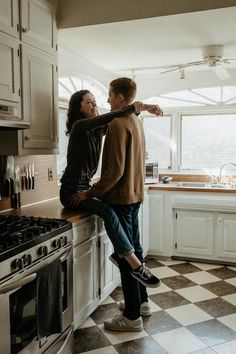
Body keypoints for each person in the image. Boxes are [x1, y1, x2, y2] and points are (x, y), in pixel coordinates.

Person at [76, 78, 163, 332]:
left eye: (110, 95)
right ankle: (143, 303)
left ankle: (132, 317)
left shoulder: (117, 123)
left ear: (121, 98)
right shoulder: (136, 121)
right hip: (136, 196)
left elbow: (113, 172)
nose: (107, 100)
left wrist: (90, 194)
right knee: (135, 250)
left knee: (127, 259)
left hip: (122, 200)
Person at [60, 89, 162, 287]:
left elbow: (120, 122)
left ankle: (119, 255)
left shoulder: (98, 130)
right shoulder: (79, 126)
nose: (94, 105)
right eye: (88, 102)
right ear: (78, 108)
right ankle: (135, 265)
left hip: (84, 187)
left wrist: (138, 111)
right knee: (108, 211)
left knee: (112, 210)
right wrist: (144, 107)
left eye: (94, 101)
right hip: (71, 190)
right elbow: (115, 115)